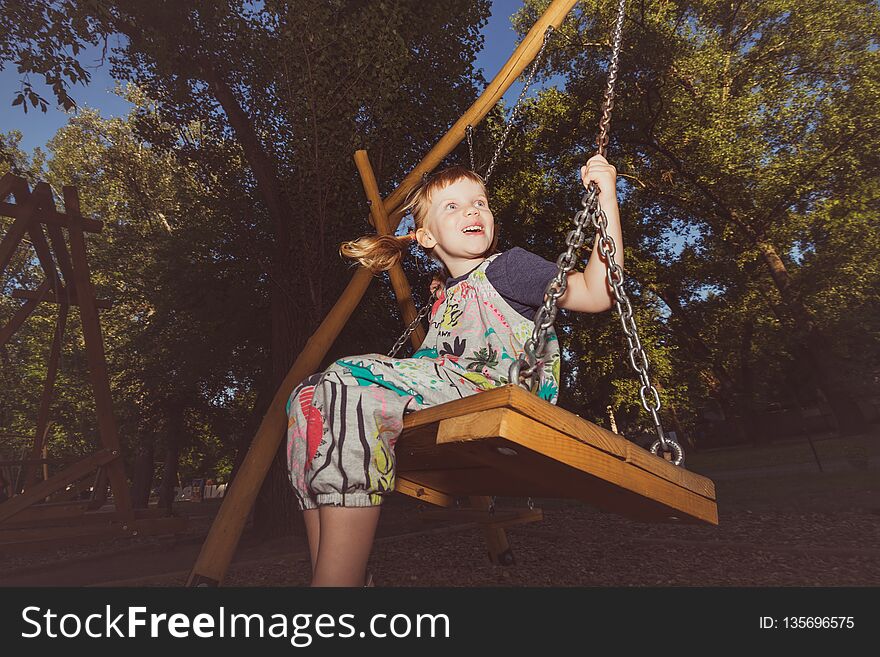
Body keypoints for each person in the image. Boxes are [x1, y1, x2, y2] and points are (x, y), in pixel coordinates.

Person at [286, 155, 621, 586]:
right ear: (426, 236)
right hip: (451, 389)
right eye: (454, 206)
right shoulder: (446, 292)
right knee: (308, 396)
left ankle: (338, 583)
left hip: (495, 390)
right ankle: (332, 572)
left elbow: (596, 293)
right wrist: (445, 295)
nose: (473, 211)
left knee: (345, 378)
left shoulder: (508, 267)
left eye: (480, 202)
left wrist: (606, 197)